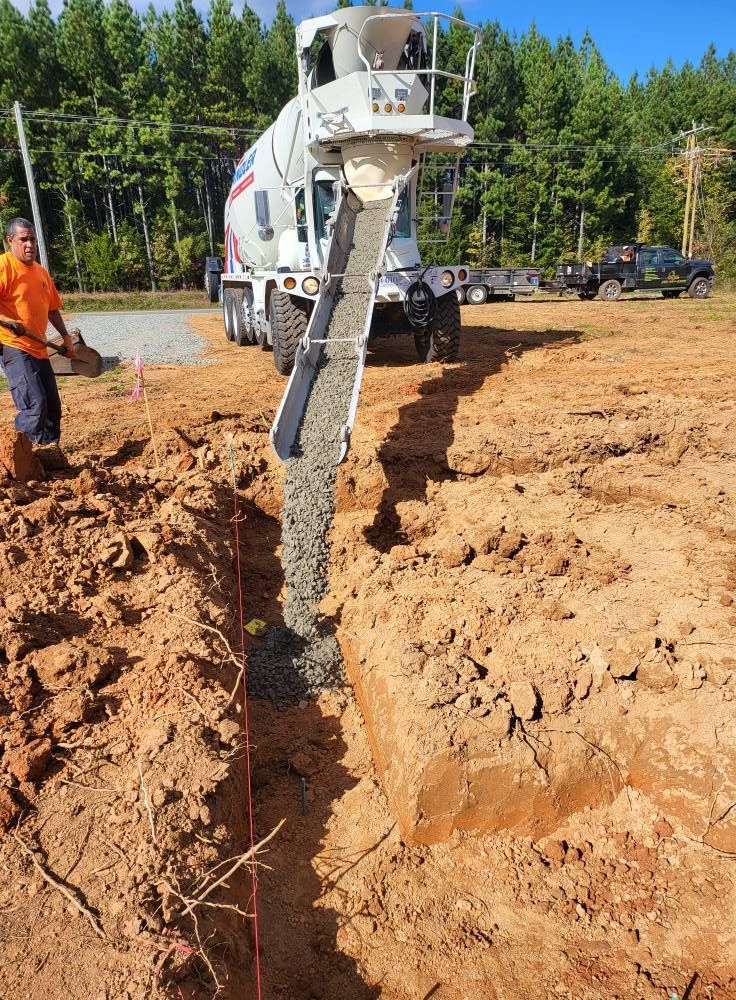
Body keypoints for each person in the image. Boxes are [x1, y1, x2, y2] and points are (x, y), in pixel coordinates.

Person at [0, 217, 75, 445]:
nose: (30, 244)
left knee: (52, 407)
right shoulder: (4, 266)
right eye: (24, 239)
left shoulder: (41, 273)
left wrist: (65, 337)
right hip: (14, 346)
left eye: (32, 239)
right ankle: (20, 456)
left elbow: (52, 309)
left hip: (39, 348)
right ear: (9, 240)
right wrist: (5, 320)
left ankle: (49, 453)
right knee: (35, 404)